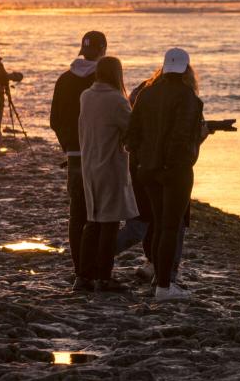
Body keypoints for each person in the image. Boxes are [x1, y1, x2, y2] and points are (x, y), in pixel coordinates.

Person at [127, 48, 204, 301]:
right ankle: (163, 285)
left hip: (148, 171)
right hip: (175, 172)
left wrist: (144, 159)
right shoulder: (188, 98)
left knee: (159, 225)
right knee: (171, 227)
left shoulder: (146, 94)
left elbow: (131, 137)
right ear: (186, 70)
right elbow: (183, 137)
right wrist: (196, 141)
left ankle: (158, 281)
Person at [116, 68, 186, 284]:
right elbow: (180, 138)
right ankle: (166, 271)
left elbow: (132, 132)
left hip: (139, 165)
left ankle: (153, 264)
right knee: (163, 222)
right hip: (160, 167)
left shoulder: (143, 92)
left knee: (145, 221)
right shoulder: (181, 96)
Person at [50, 30, 107, 289]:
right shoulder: (102, 79)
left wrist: (69, 145)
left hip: (74, 155)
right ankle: (93, 270)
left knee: (77, 215)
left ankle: (79, 271)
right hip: (98, 154)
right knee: (99, 216)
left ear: (82, 50)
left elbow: (54, 120)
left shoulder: (64, 80)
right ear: (103, 49)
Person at [78, 56, 138, 292]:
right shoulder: (116, 100)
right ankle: (103, 276)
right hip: (110, 166)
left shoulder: (86, 96)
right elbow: (132, 129)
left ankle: (83, 276)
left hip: (89, 164)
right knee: (109, 224)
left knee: (92, 222)